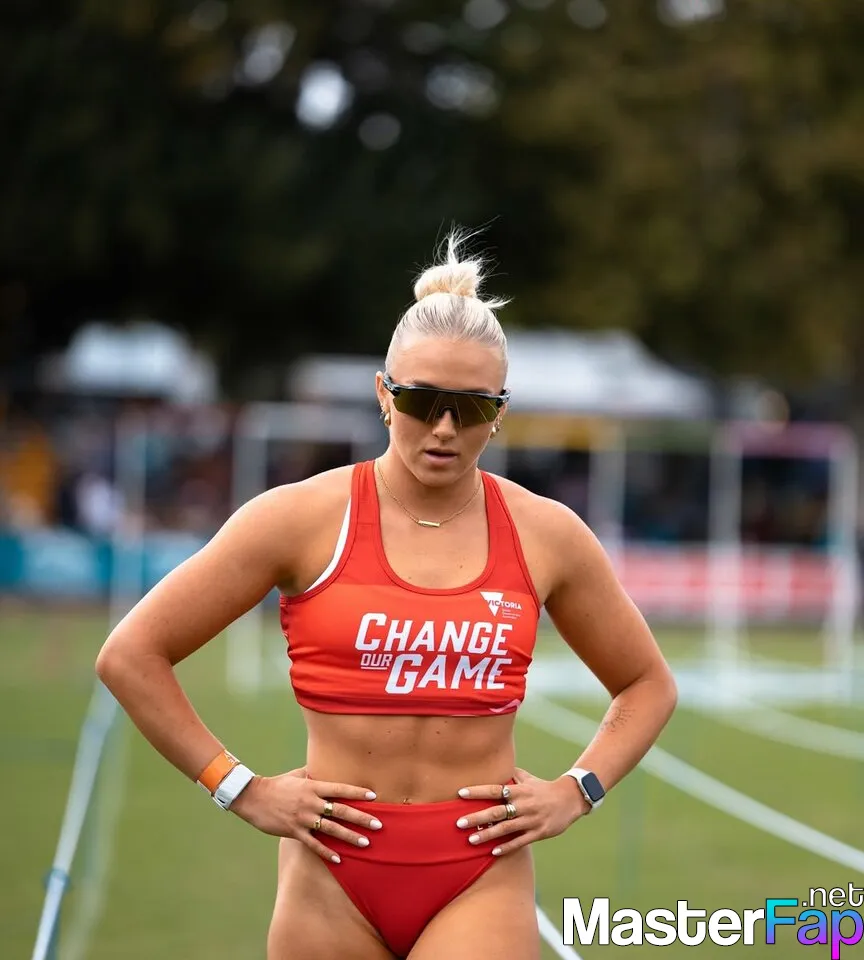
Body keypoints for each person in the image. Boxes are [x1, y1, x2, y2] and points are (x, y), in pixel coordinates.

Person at [95, 231, 678, 960]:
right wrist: (238, 787)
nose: (444, 428)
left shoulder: (547, 534)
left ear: (500, 412)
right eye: (421, 401)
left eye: (470, 408)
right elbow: (131, 654)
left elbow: (647, 682)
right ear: (383, 394)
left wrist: (577, 789)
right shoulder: (299, 519)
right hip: (328, 880)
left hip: (481, 877)